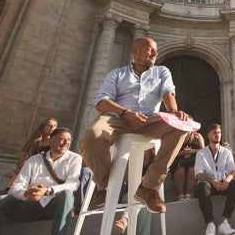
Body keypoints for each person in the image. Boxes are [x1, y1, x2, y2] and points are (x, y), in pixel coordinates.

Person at [80, 37, 191, 213]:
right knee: (91, 136)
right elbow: (101, 102)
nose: (155, 53)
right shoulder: (117, 74)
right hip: (117, 119)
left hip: (148, 120)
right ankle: (104, 186)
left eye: (156, 50)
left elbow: (168, 93)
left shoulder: (162, 72)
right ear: (135, 51)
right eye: (149, 49)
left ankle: (148, 187)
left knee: (181, 126)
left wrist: (174, 112)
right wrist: (125, 113)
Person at [0, 128, 81, 235]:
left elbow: (73, 184)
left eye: (69, 140)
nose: (66, 143)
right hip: (30, 204)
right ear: (50, 142)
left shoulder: (75, 158)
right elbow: (16, 186)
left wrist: (47, 190)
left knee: (67, 194)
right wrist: (26, 193)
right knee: (0, 200)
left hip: (54, 205)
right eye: (62, 140)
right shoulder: (34, 160)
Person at [194, 124, 235, 235]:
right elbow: (199, 174)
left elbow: (232, 170)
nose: (217, 135)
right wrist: (212, 181)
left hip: (223, 184)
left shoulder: (227, 152)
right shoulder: (201, 153)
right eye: (214, 133)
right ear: (208, 135)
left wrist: (228, 180)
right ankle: (210, 224)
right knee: (202, 186)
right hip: (209, 186)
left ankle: (224, 223)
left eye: (219, 133)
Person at [5, 118, 58, 189]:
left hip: (46, 173)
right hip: (30, 171)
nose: (52, 127)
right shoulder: (34, 142)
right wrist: (21, 168)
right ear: (43, 127)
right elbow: (23, 156)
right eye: (49, 125)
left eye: (54, 126)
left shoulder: (56, 143)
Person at [170, 130, 205, 200]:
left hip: (193, 159)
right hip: (179, 160)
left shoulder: (198, 136)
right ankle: (181, 195)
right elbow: (171, 153)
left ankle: (188, 194)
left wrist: (193, 151)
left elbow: (203, 150)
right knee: (180, 169)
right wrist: (183, 152)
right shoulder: (176, 137)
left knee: (193, 169)